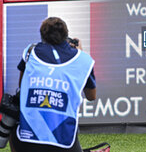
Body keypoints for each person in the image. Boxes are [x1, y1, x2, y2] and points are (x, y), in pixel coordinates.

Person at [9, 17, 96, 152]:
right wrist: (80, 52)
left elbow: (22, 86)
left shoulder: (30, 52)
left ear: (43, 35)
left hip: (26, 140)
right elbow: (91, 96)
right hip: (64, 141)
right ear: (66, 35)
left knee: (12, 119)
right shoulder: (83, 59)